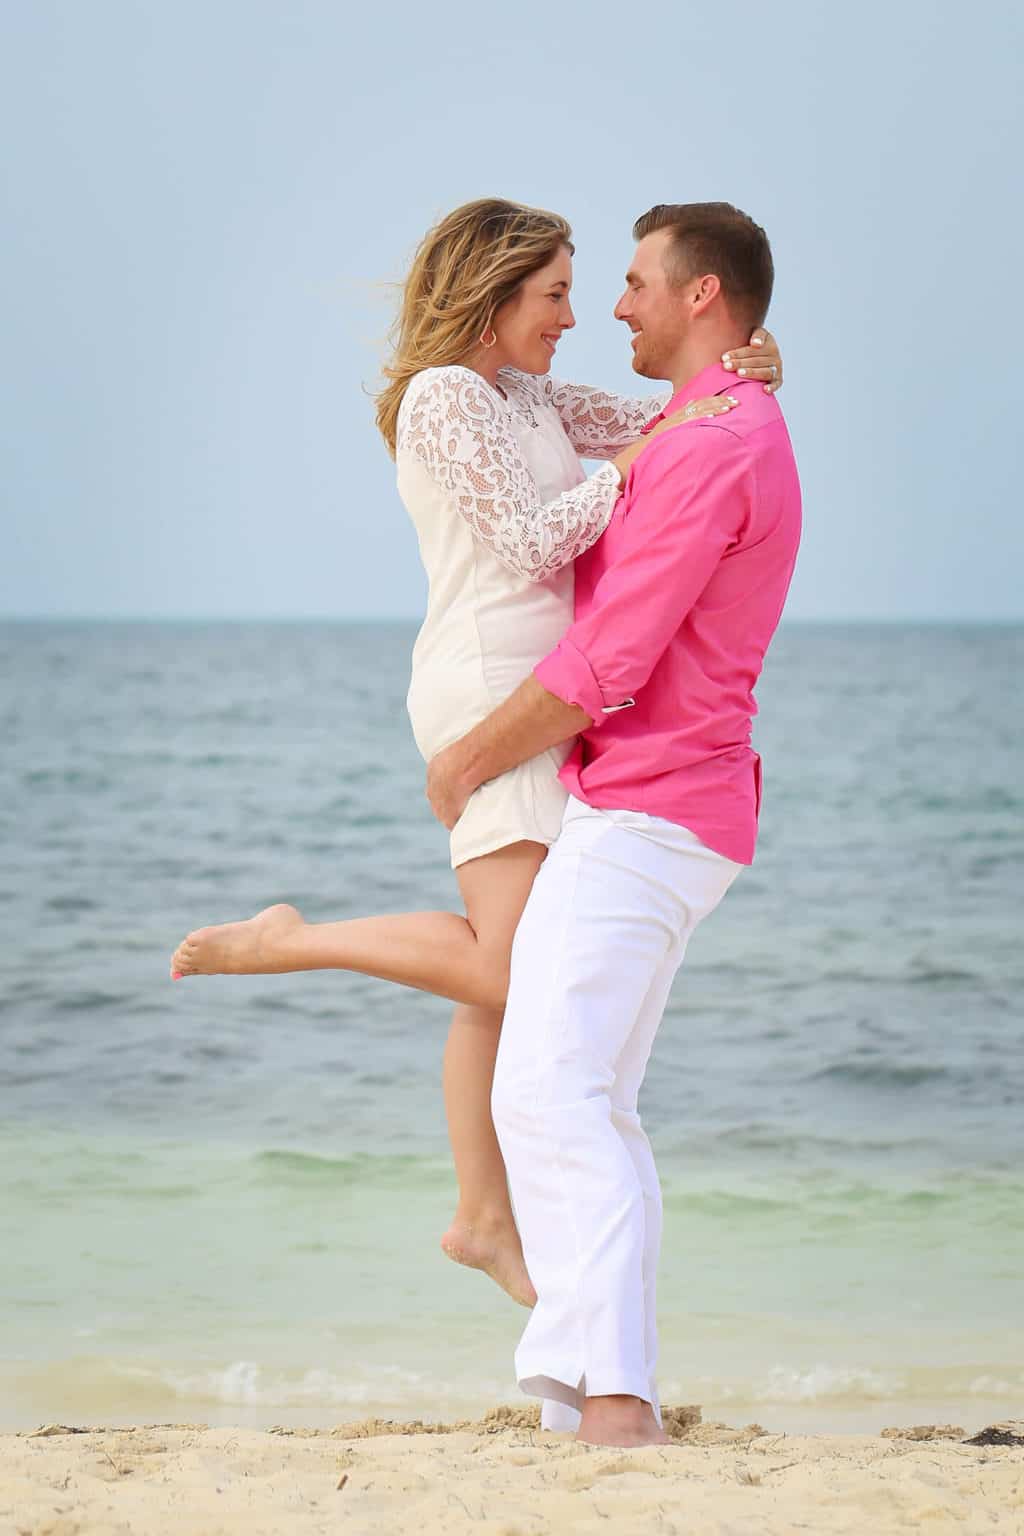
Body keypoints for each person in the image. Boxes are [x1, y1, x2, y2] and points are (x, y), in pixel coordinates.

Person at [169, 198, 783, 1315]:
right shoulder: (447, 398)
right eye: (553, 292)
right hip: (489, 686)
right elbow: (537, 537)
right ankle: (291, 943)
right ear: (495, 292)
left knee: (511, 972)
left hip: (536, 695)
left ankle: (483, 1214)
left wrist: (746, 366)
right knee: (509, 969)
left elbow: (677, 413)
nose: (572, 315)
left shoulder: (527, 395)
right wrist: (643, 462)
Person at [424, 201, 802, 1446]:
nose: (611, 308)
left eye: (635, 282)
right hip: (661, 799)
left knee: (550, 1088)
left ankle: (617, 1399)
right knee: (589, 1095)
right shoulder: (715, 425)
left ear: (701, 296)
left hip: (650, 805)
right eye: (587, 288)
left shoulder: (709, 448)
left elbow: (615, 653)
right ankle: (594, 1394)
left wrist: (474, 753)